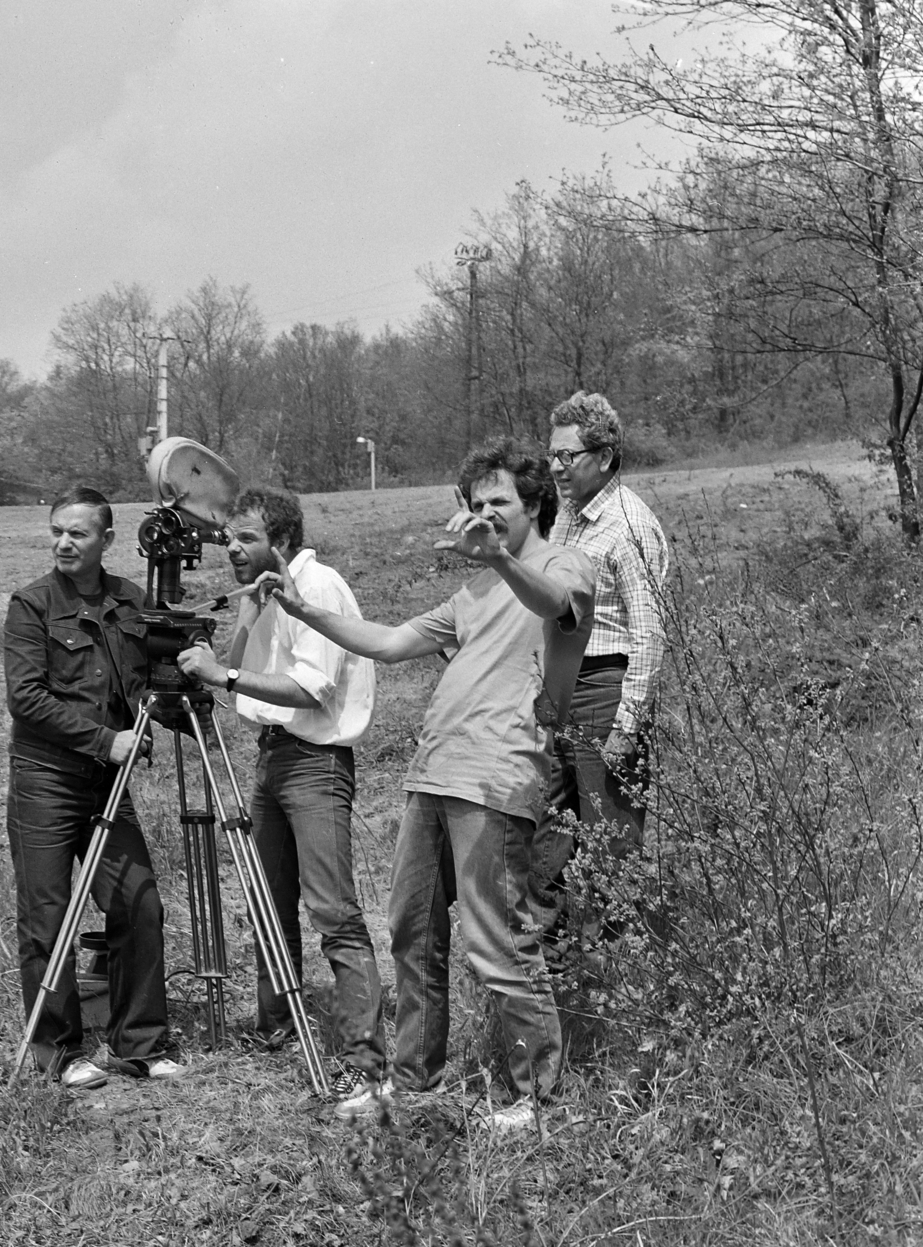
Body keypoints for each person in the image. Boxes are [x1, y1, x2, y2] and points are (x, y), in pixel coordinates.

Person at [259, 441, 595, 1125]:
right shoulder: (472, 590)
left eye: (500, 502)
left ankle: (538, 1099)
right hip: (434, 772)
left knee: (497, 939)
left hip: (498, 774)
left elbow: (557, 602)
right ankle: (416, 1079)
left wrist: (499, 556)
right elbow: (386, 640)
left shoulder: (564, 564)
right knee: (412, 930)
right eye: (475, 504)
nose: (485, 515)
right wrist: (301, 612)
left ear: (535, 505)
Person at [175, 488, 383, 1109]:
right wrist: (238, 629)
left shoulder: (315, 589)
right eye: (227, 539)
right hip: (272, 757)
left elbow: (310, 689)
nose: (230, 548)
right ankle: (275, 1026)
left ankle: (364, 1065)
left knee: (334, 913)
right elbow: (238, 677)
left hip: (315, 764)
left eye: (245, 538)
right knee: (270, 902)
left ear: (283, 540)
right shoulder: (265, 596)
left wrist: (222, 675)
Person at [3, 485, 183, 1091]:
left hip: (110, 786)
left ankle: (141, 1043)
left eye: (78, 533)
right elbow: (26, 699)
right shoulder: (31, 605)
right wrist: (107, 741)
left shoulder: (132, 601)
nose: (63, 542)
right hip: (45, 781)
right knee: (47, 917)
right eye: (57, 530)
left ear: (106, 539)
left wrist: (174, 701)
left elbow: (149, 686)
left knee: (139, 903)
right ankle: (57, 1051)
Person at [529, 392, 669, 948]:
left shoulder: (630, 525)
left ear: (606, 457)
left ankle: (617, 964)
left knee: (611, 831)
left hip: (605, 687)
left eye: (570, 457)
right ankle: (549, 953)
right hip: (559, 688)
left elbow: (650, 633)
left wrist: (627, 725)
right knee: (550, 826)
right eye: (553, 456)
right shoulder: (564, 520)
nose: (558, 468)